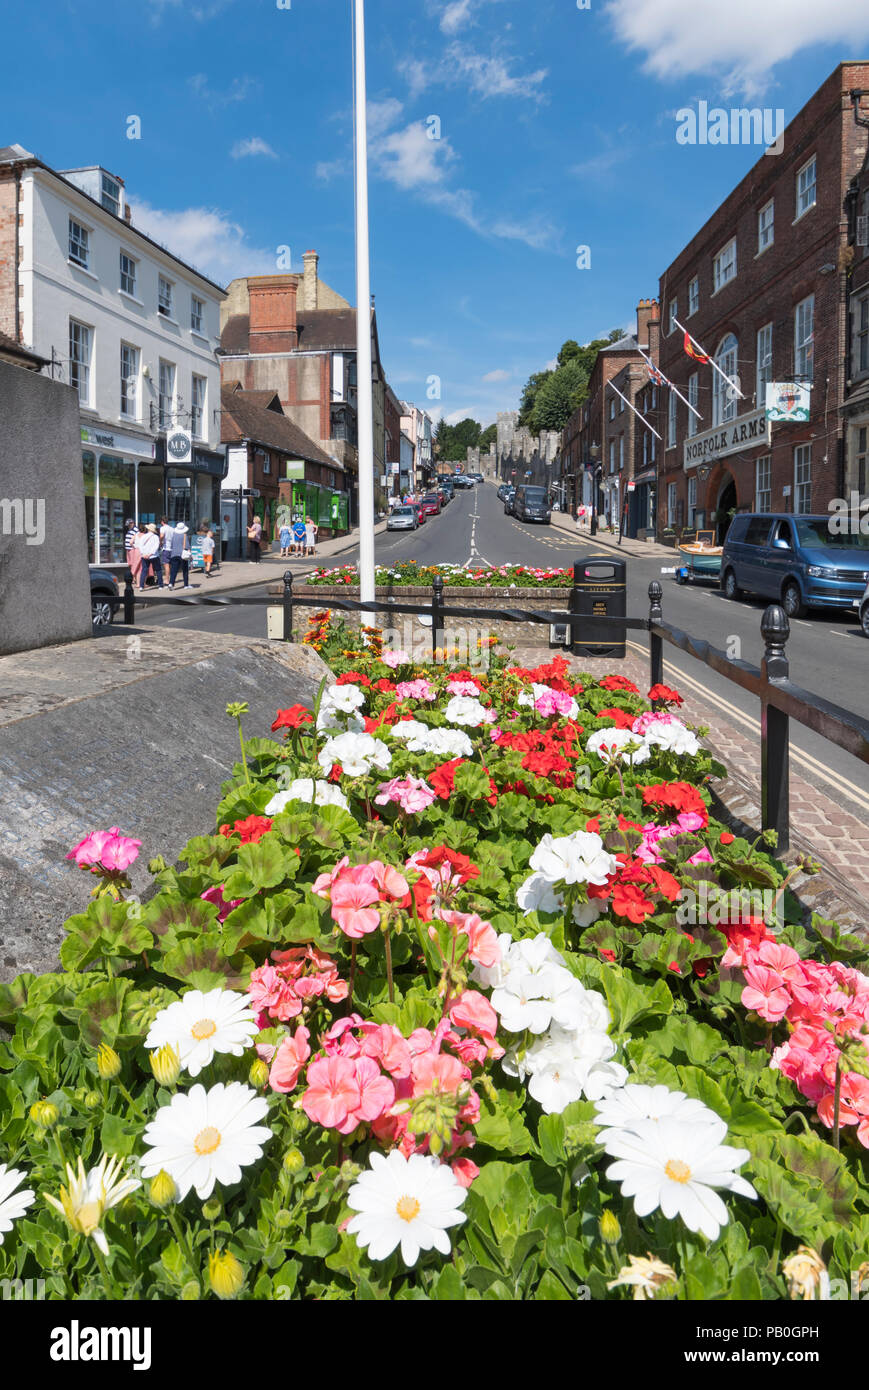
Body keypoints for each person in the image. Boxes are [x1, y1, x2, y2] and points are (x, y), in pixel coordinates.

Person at [138, 523, 162, 590]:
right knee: (158, 570)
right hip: (154, 556)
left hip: (145, 556)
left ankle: (141, 586)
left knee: (144, 571)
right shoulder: (156, 537)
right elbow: (156, 547)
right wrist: (150, 554)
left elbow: (140, 546)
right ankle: (160, 585)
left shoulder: (143, 536)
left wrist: (143, 554)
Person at [168, 522, 192, 589]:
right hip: (182, 555)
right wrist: (190, 555)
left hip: (174, 554)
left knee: (173, 570)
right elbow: (187, 546)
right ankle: (186, 585)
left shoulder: (174, 535)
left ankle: (171, 584)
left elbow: (171, 545)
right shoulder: (184, 535)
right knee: (185, 570)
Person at [124, 518, 142, 586]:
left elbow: (137, 538)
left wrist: (134, 546)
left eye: (129, 525)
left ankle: (133, 578)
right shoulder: (130, 529)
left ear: (132, 523)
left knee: (133, 563)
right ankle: (133, 578)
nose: (128, 526)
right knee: (130, 563)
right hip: (128, 549)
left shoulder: (136, 530)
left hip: (132, 549)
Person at [159, 516, 174, 585]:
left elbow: (162, 536)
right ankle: (169, 579)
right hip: (171, 548)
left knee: (166, 565)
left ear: (162, 521)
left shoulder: (162, 528)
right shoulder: (172, 529)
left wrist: (160, 542)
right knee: (170, 565)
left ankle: (167, 580)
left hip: (166, 548)